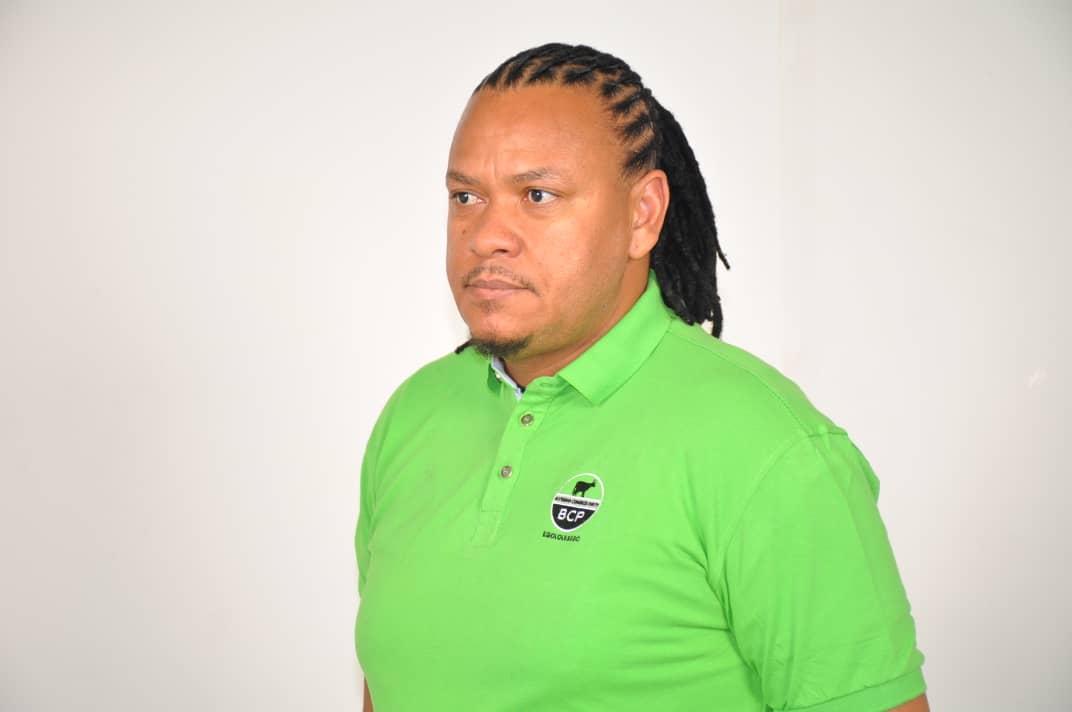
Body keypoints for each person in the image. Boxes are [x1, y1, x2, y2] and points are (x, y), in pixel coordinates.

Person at [354, 42, 929, 712]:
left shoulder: (767, 447)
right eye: (466, 196)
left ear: (643, 214)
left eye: (538, 195)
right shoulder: (414, 414)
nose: (485, 235)